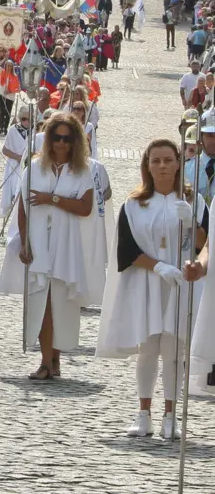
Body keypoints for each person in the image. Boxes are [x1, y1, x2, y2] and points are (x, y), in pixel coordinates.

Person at [99, 139, 206, 439]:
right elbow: (126, 248)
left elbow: (205, 244)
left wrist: (193, 221)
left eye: (168, 160)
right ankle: (143, 412)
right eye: (155, 160)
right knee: (148, 348)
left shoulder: (193, 202)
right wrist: (158, 266)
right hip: (147, 282)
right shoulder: (133, 205)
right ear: (147, 164)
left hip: (181, 284)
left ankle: (171, 415)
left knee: (174, 350)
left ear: (177, 163)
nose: (162, 166)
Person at [0, 113, 97, 380]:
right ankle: (45, 360)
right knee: (41, 300)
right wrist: (24, 240)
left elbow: (85, 208)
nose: (61, 143)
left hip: (66, 243)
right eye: (56, 137)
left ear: (75, 141)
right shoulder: (34, 168)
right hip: (39, 240)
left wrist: (52, 199)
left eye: (67, 138)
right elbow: (23, 207)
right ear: (49, 139)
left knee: (60, 302)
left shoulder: (83, 171)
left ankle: (55, 358)